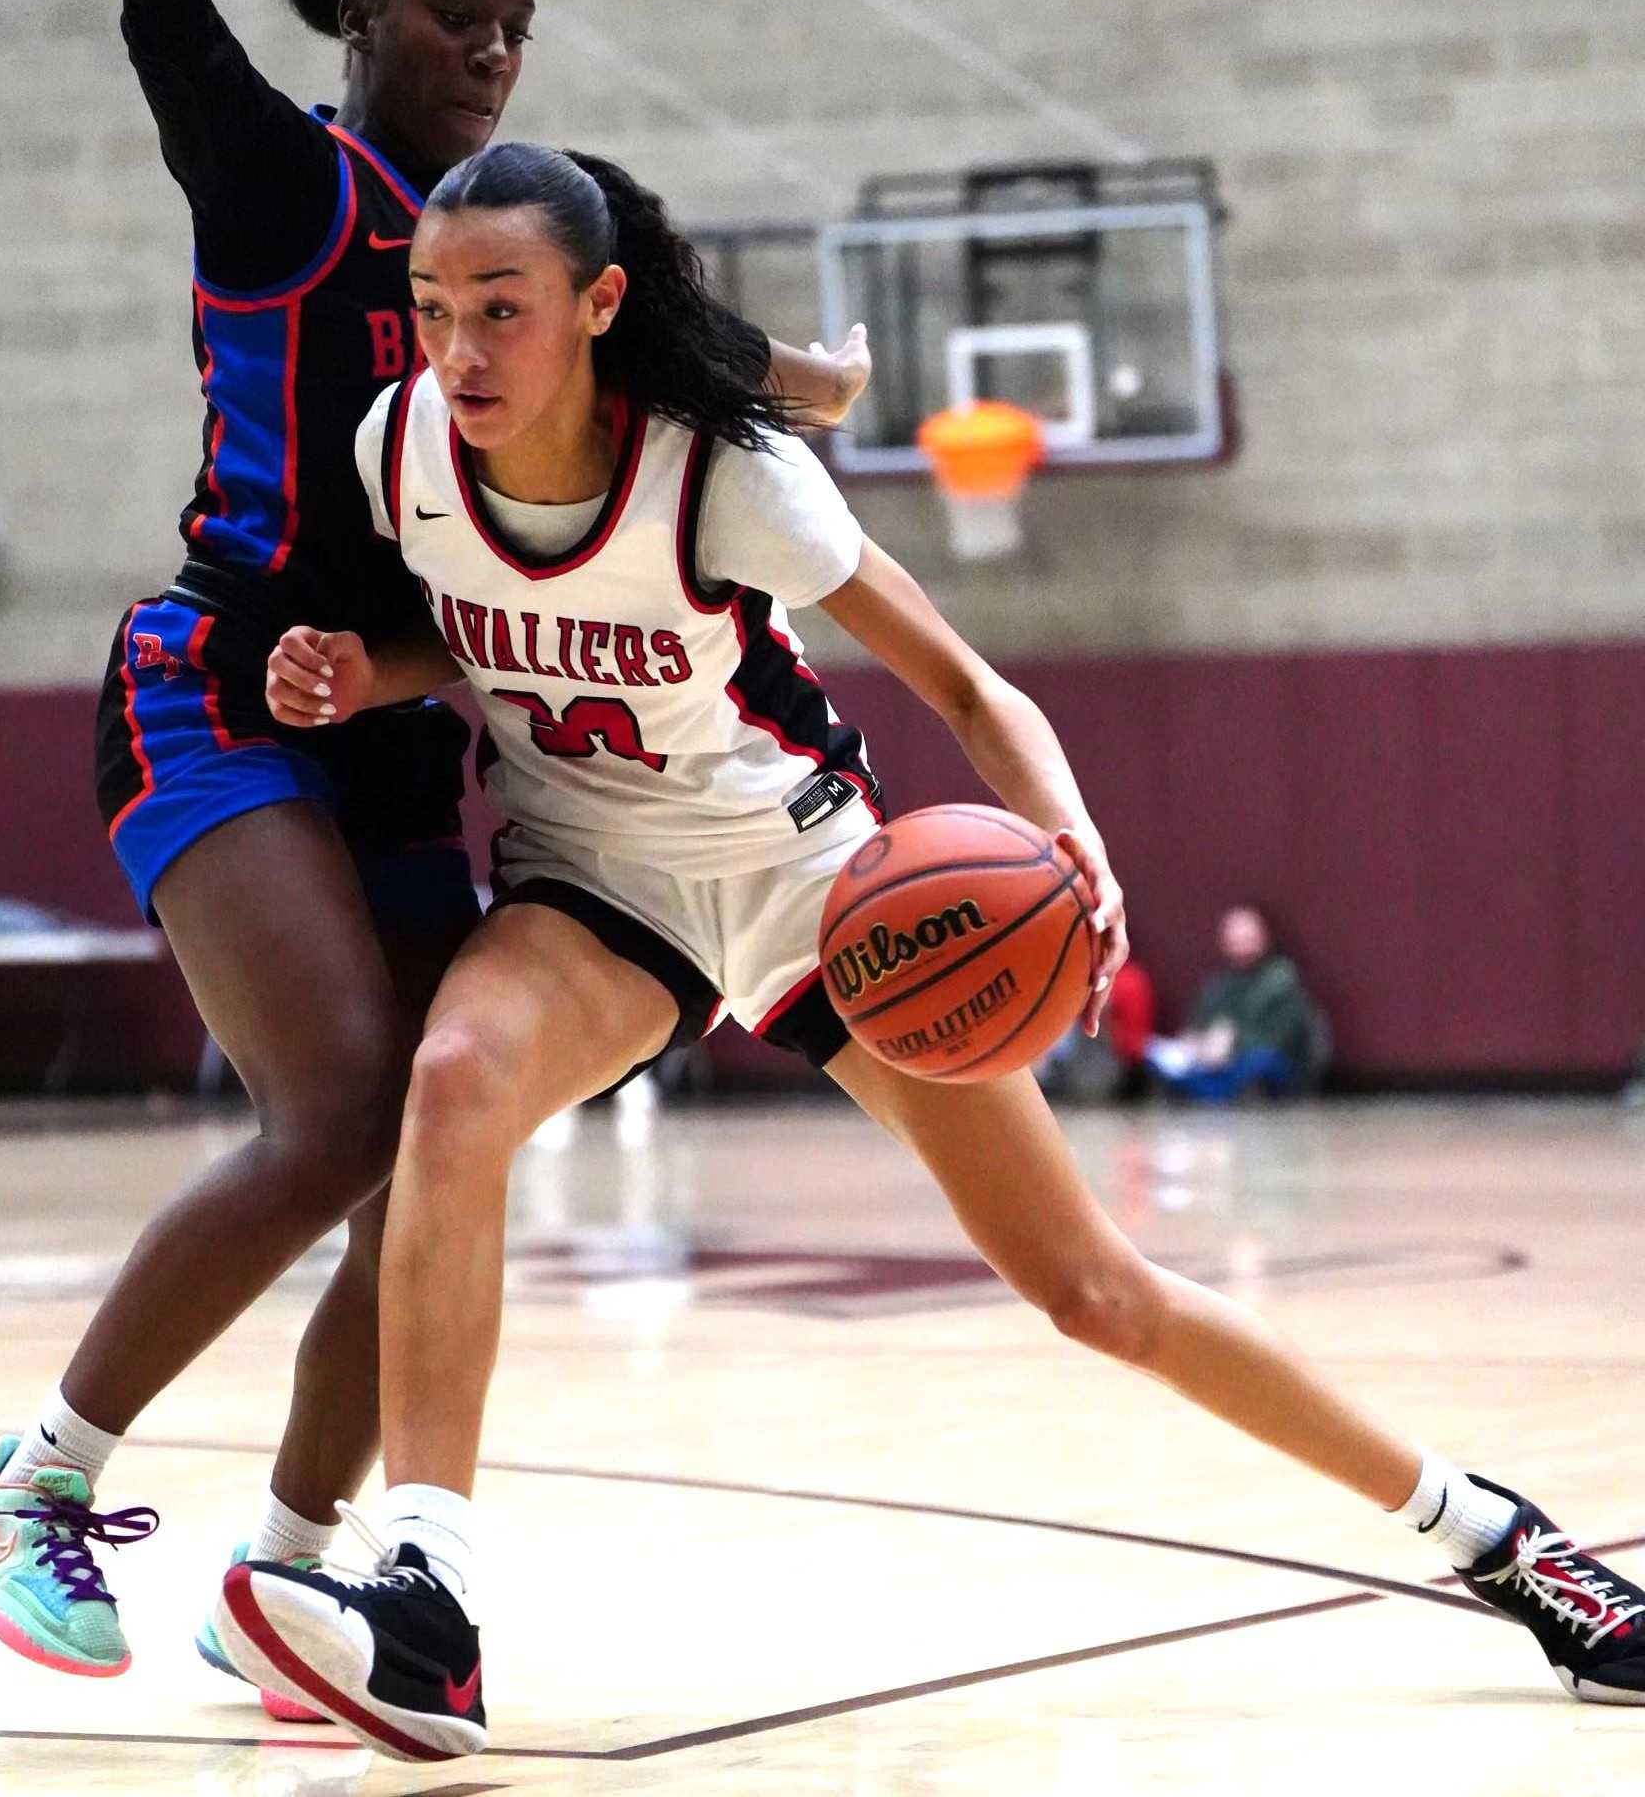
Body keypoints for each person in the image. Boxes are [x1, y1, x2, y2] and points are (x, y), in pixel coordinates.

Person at [219, 145, 1645, 1759]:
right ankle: (431, 1607)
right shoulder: (398, 445)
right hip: (594, 884)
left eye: (501, 307)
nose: (460, 348)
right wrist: (368, 672)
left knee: (1097, 1292)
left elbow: (973, 693)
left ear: (599, 304)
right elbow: (467, 639)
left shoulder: (724, 474)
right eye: (431, 308)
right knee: (455, 1088)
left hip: (812, 884)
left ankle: (1500, 1540)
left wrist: (1078, 849)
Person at [0, 0, 869, 1702]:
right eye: (457, 13)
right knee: (347, 1107)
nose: (495, 50)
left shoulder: (518, 230)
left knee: (444, 1137)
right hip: (220, 688)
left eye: (515, 21)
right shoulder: (291, 186)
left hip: (405, 715)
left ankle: (283, 1576)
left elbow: (668, 335)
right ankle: (32, 1486)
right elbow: (156, 15)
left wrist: (805, 375)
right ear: (361, 16)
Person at [1144, 904, 1324, 1100]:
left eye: (1247, 939)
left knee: (1260, 1063)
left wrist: (1233, 1044)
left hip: (1259, 1059)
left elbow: (1283, 1039)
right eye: (1234, 940)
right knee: (1165, 1062)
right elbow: (1197, 1025)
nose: (1241, 946)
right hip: (1212, 1062)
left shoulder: (1282, 980)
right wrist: (1198, 1043)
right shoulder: (1219, 985)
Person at [1036, 953, 1156, 1101]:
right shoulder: (1133, 976)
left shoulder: (1120, 981)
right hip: (1118, 1068)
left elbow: (1130, 1046)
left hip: (1106, 1069)